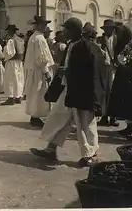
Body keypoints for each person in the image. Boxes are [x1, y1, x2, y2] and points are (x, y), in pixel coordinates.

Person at [30, 18, 104, 168]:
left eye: (66, 30)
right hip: (68, 88)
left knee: (85, 123)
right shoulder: (71, 45)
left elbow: (91, 71)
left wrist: (69, 72)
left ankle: (91, 154)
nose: (64, 32)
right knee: (58, 117)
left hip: (82, 91)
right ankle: (51, 149)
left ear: (74, 31)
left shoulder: (87, 47)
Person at [22, 15, 55, 127]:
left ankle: (35, 115)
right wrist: (46, 71)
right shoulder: (39, 39)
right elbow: (40, 58)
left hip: (35, 69)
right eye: (44, 24)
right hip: (39, 70)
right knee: (39, 92)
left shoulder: (34, 37)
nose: (46, 27)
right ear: (40, 25)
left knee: (36, 93)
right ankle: (36, 116)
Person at [96, 19, 119, 127]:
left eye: (110, 28)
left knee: (113, 92)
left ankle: (113, 117)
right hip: (103, 68)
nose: (108, 30)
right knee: (104, 92)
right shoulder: (100, 40)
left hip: (114, 68)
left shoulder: (116, 39)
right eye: (106, 28)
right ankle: (104, 116)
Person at [1, 24, 25, 105]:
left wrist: (5, 58)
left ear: (10, 31)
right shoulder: (21, 40)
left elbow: (9, 53)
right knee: (18, 79)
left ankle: (11, 97)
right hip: (19, 62)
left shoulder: (11, 41)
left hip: (12, 62)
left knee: (10, 79)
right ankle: (18, 96)